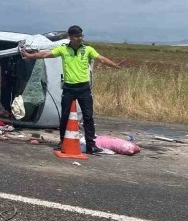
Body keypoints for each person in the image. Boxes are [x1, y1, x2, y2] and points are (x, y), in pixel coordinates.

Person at [21, 25, 125, 155]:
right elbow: (46, 54)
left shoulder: (87, 49)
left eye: (81, 35)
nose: (79, 38)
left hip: (84, 88)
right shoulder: (63, 49)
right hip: (69, 88)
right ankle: (63, 142)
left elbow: (101, 58)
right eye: (76, 36)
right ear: (70, 37)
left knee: (88, 117)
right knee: (65, 116)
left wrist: (114, 65)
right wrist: (30, 56)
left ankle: (91, 145)